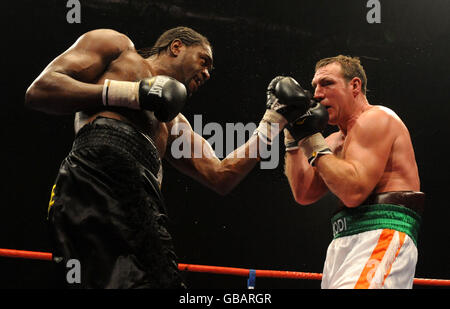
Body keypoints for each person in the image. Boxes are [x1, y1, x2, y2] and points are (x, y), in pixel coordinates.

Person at [25, 27, 310, 288]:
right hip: (95, 174)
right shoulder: (118, 48)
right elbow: (41, 89)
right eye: (204, 60)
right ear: (176, 47)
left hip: (142, 198)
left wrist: (274, 119)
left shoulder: (173, 122)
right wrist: (132, 94)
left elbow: (220, 175)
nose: (208, 73)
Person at [283, 55, 425, 289]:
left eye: (327, 83)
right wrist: (293, 139)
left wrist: (310, 138)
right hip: (342, 242)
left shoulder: (377, 118)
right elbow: (303, 193)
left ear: (355, 86)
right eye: (315, 86)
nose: (317, 94)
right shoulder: (331, 142)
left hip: (382, 232)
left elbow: (353, 192)